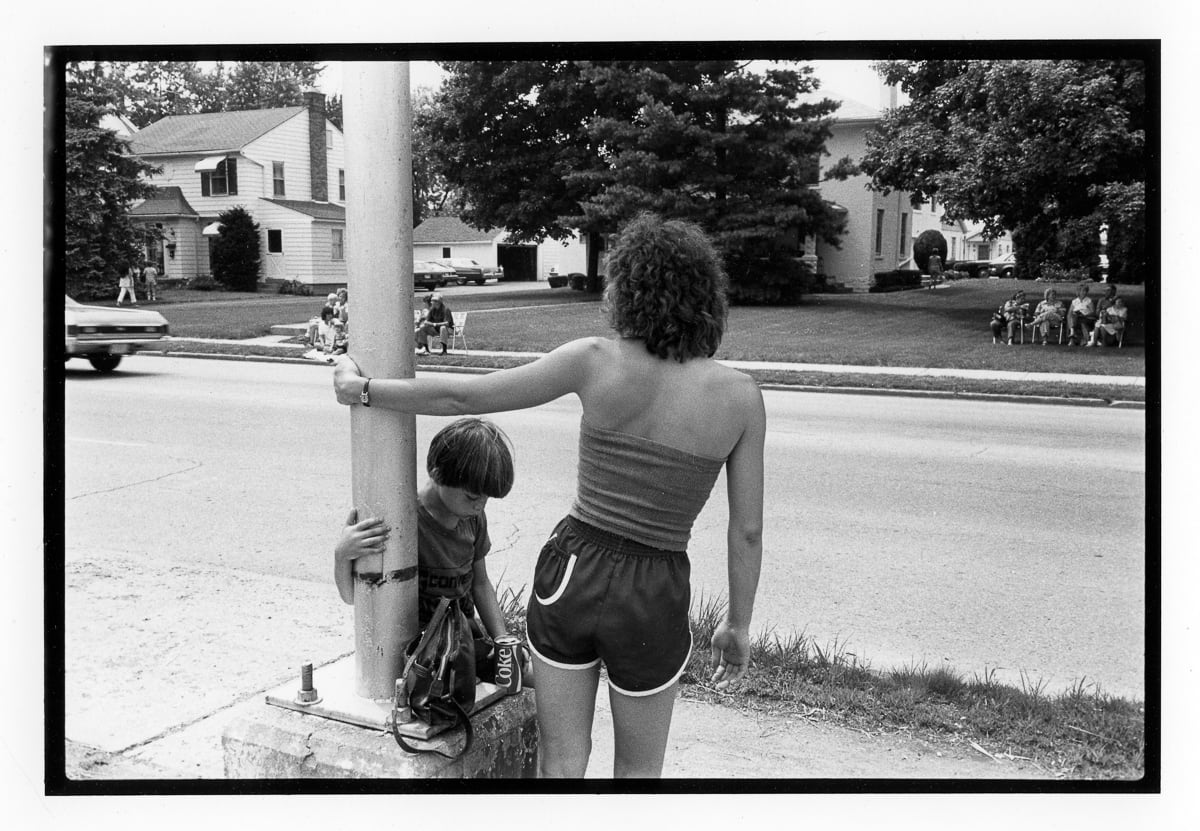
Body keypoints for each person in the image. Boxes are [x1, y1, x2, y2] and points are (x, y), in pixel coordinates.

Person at [333, 213, 765, 778]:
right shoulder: (741, 399)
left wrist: (363, 390)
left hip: (573, 570)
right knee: (639, 773)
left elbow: (466, 396)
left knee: (561, 762)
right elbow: (747, 530)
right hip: (654, 587)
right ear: (709, 298)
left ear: (626, 289)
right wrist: (737, 623)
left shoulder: (593, 360)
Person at [334, 418, 523, 681]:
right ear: (436, 472)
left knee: (531, 677)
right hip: (420, 655)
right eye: (472, 496)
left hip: (463, 642)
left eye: (487, 497)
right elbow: (353, 598)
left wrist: (501, 637)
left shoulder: (473, 519)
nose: (480, 505)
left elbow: (480, 583)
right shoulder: (402, 520)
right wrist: (342, 555)